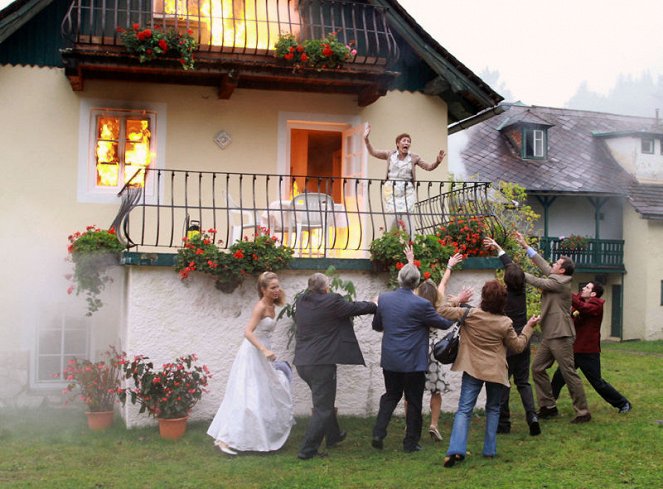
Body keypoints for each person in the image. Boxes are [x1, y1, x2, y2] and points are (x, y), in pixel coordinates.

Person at [441, 280, 540, 468]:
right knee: (493, 408)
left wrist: (458, 300)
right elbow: (518, 346)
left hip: (472, 368)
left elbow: (441, 310)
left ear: (484, 297)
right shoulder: (505, 323)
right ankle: (489, 449)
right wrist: (529, 327)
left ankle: (456, 449)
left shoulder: (469, 314)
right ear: (503, 301)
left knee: (464, 409)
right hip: (496, 370)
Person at [371, 258, 454, 453]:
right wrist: (459, 312)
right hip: (413, 362)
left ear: (399, 279)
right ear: (416, 283)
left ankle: (378, 432)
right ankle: (410, 443)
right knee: (414, 400)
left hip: (391, 359)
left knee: (391, 395)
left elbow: (376, 326)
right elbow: (443, 323)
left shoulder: (384, 299)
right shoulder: (422, 305)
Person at [207, 272, 294, 455]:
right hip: (252, 353)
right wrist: (263, 350)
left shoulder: (272, 305)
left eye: (278, 286)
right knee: (247, 394)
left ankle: (258, 434)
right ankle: (225, 438)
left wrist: (267, 350)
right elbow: (247, 332)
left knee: (265, 393)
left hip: (264, 352)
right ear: (263, 289)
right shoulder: (261, 306)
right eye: (272, 287)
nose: (277, 290)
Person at [293, 272, 377, 460]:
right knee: (322, 407)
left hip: (302, 363)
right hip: (321, 363)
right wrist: (375, 304)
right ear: (325, 288)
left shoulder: (301, 301)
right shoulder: (332, 301)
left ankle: (333, 435)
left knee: (324, 401)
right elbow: (354, 308)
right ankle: (307, 450)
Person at [514, 232, 591, 424]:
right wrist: (525, 246)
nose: (553, 265)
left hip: (561, 334)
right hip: (550, 334)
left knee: (568, 373)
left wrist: (516, 272)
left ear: (562, 271)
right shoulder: (558, 277)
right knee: (538, 368)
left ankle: (583, 412)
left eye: (556, 264)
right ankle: (548, 406)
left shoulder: (560, 283)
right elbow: (544, 266)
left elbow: (540, 281)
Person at [483, 237, 541, 436]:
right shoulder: (522, 290)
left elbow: (509, 267)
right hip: (523, 339)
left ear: (505, 280)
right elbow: (511, 266)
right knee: (523, 382)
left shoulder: (502, 296)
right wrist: (499, 249)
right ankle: (532, 416)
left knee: (504, 383)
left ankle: (504, 423)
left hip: (507, 343)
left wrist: (497, 247)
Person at [551, 282, 632, 413]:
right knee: (559, 377)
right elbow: (576, 305)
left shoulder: (597, 305)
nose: (583, 288)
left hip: (588, 352)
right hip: (575, 349)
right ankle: (549, 407)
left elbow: (583, 308)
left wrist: (566, 292)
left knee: (597, 382)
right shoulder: (582, 301)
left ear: (593, 294)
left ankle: (623, 404)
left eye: (587, 287)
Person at [411, 250, 463, 442]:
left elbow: (411, 283)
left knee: (411, 390)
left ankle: (411, 423)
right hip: (433, 350)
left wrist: (410, 261)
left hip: (417, 348)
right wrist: (450, 265)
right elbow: (444, 282)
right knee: (435, 390)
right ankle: (434, 424)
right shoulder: (438, 306)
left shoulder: (413, 304)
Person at [364, 123, 446, 234]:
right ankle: (391, 244)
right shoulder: (389, 154)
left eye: (408, 141)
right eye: (404, 140)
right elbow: (373, 152)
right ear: (398, 144)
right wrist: (366, 139)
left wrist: (437, 161)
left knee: (408, 220)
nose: (406, 143)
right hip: (391, 190)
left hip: (407, 191)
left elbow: (428, 167)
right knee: (393, 219)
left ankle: (410, 245)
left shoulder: (414, 157)